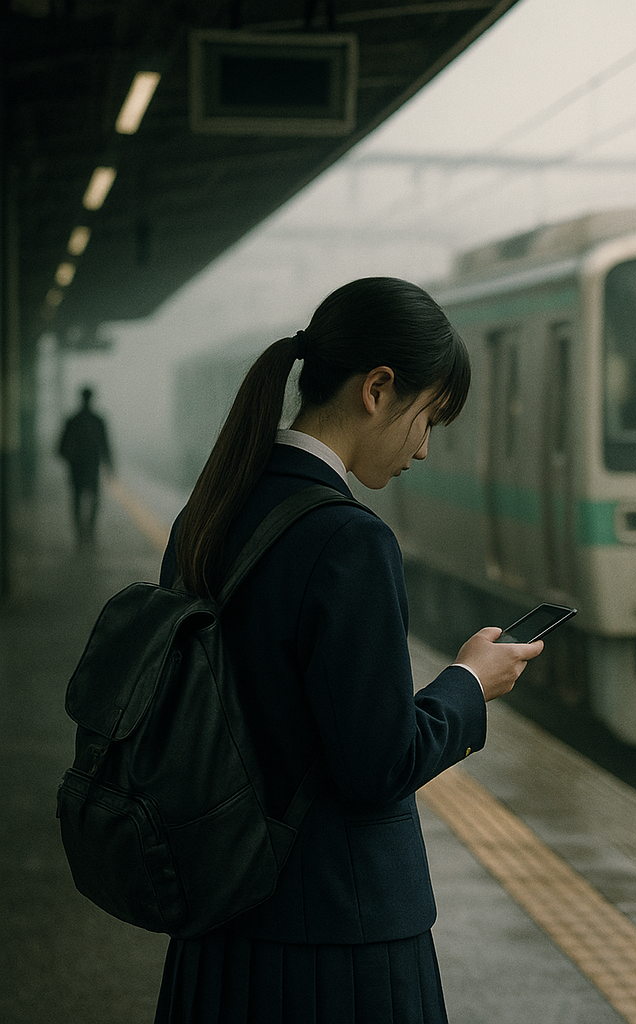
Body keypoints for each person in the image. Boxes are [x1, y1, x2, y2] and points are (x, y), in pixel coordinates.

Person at [154, 277, 543, 1024]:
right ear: (377, 388)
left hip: (217, 927)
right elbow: (375, 767)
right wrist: (467, 684)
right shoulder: (349, 541)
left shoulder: (208, 512)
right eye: (428, 419)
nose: (424, 450)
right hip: (336, 944)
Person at [57, 386, 113, 546]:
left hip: (76, 468)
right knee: (94, 499)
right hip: (92, 468)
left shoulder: (72, 420)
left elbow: (60, 448)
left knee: (76, 499)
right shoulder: (98, 421)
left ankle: (80, 532)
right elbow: (106, 445)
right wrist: (109, 466)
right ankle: (89, 530)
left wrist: (71, 457)